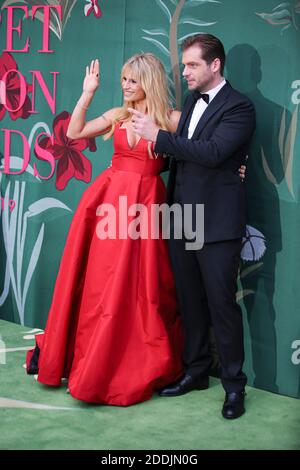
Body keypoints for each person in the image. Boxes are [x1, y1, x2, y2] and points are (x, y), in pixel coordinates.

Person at [26, 53, 184, 406]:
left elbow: (206, 148)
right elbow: (74, 132)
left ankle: (131, 360)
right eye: (124, 78)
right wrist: (87, 93)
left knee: (144, 285)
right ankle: (89, 356)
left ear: (150, 82)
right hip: (109, 202)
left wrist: (240, 167)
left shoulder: (171, 120)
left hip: (147, 207)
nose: (125, 85)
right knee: (102, 281)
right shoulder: (118, 115)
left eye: (132, 79)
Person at [129, 34, 256, 419]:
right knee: (190, 302)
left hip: (217, 224)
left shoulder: (240, 107)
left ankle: (234, 388)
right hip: (182, 219)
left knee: (221, 306)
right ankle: (196, 371)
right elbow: (188, 157)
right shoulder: (189, 101)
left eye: (192, 65)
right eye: (184, 65)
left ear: (215, 65)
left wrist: (160, 137)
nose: (184, 72)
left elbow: (215, 153)